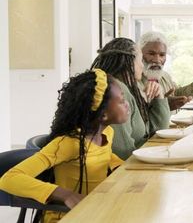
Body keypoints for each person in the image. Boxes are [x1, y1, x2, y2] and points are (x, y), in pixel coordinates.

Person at [0, 69, 128, 223]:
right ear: (103, 115)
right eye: (121, 101)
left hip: (96, 210)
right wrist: (66, 195)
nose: (127, 104)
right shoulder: (68, 144)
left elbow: (102, 156)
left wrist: (119, 165)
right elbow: (9, 178)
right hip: (67, 217)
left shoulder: (107, 133)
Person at [91, 38, 170, 160]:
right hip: (122, 171)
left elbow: (157, 133)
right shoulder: (117, 91)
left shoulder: (126, 88)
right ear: (130, 62)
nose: (142, 65)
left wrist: (159, 97)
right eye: (140, 60)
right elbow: (122, 153)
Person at [138, 31, 193, 110]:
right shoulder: (132, 79)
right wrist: (164, 106)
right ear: (139, 53)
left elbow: (175, 94)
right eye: (151, 54)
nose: (157, 60)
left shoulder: (164, 76)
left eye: (162, 55)